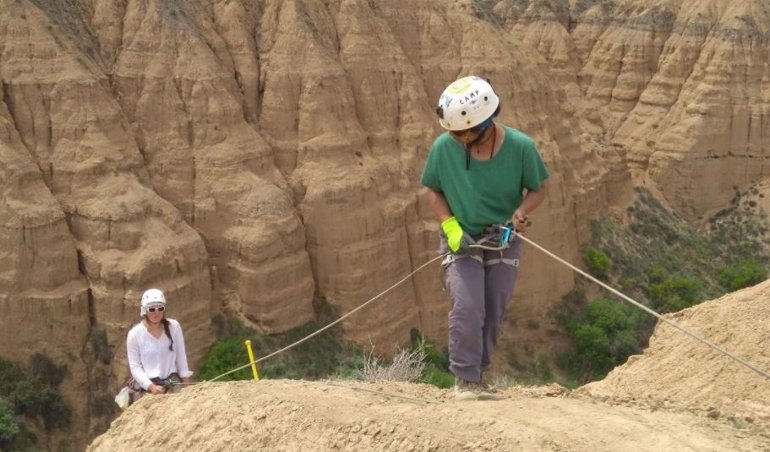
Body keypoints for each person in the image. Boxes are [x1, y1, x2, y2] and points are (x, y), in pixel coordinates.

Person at [420, 75, 549, 401]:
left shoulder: (521, 148)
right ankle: (465, 380)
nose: (460, 139)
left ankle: (479, 374)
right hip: (461, 236)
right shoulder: (443, 148)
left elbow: (538, 189)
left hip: (503, 237)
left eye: (466, 134)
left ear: (488, 122)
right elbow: (433, 191)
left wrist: (520, 212)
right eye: (455, 133)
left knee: (493, 308)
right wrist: (450, 226)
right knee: (468, 305)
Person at [126, 288, 193, 402]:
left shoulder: (174, 327)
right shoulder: (135, 334)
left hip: (171, 381)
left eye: (160, 308)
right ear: (144, 310)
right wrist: (151, 387)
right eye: (151, 309)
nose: (156, 313)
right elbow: (135, 367)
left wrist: (185, 382)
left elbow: (181, 357)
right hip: (148, 385)